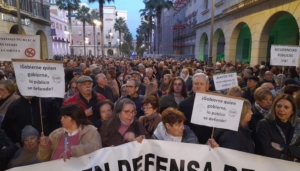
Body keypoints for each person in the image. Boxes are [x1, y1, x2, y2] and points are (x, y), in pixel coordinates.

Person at [256, 94, 300, 161]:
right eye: (278, 106)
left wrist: (282, 147)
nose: (281, 109)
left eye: (286, 107)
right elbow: (266, 151)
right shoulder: (264, 124)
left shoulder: (298, 125)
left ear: (292, 111)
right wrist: (292, 159)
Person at [179, 73, 212, 144]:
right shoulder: (184, 104)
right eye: (196, 83)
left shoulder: (215, 102)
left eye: (201, 84)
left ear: (207, 86)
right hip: (190, 143)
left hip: (211, 143)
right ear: (192, 85)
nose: (198, 86)